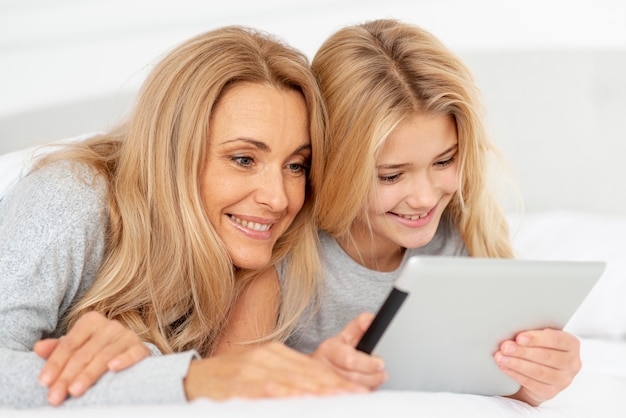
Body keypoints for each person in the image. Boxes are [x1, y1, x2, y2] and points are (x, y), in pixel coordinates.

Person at [0, 25, 383, 409]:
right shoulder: (71, 198)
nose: (278, 198)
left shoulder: (248, 262)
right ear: (173, 156)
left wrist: (300, 379)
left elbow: (222, 395)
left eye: (296, 165)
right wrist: (190, 378)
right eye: (244, 159)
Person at [287, 19, 581, 407]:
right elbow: (231, 376)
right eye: (391, 175)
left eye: (445, 161)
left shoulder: (461, 238)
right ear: (332, 166)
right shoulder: (286, 255)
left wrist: (537, 378)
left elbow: (492, 379)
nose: (425, 199)